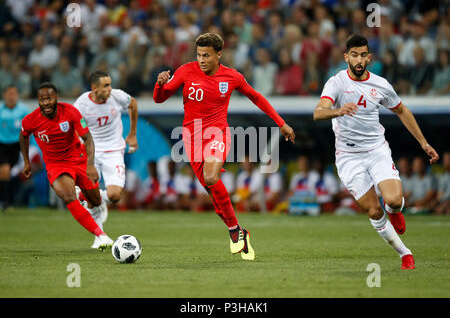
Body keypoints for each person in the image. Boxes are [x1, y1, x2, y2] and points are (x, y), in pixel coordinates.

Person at [153, 32, 296, 260]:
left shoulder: (232, 77)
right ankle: (238, 230)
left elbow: (256, 97)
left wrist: (281, 123)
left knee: (211, 177)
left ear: (219, 55)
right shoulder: (185, 71)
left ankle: (233, 231)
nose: (201, 59)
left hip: (217, 134)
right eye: (199, 55)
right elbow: (159, 99)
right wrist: (159, 85)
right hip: (191, 140)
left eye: (206, 55)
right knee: (213, 193)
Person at [313, 34, 439, 270]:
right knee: (373, 209)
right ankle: (405, 253)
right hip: (348, 157)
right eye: (354, 55)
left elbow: (402, 111)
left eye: (363, 55)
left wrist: (424, 143)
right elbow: (318, 113)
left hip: (376, 150)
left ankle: (395, 210)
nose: (358, 60)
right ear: (346, 57)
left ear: (369, 58)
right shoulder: (336, 83)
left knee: (392, 199)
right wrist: (338, 111)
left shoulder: (380, 84)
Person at [19, 82, 114, 250]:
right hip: (56, 165)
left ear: (56, 98)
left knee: (96, 201)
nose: (46, 103)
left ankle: (86, 197)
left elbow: (88, 139)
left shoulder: (70, 112)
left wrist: (90, 166)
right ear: (38, 101)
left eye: (49, 98)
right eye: (42, 99)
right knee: (68, 195)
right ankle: (101, 235)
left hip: (78, 160)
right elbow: (24, 135)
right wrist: (26, 161)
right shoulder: (30, 120)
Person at [73, 71, 139, 246]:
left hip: (114, 151)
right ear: (94, 88)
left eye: (110, 84)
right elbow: (74, 127)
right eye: (106, 85)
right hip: (91, 153)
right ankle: (99, 236)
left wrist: (132, 134)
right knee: (87, 196)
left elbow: (133, 104)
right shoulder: (81, 104)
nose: (110, 89)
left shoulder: (117, 97)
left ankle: (98, 199)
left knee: (115, 195)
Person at [0, 85, 30, 212]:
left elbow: (29, 128)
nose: (11, 96)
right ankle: (6, 203)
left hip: (16, 146)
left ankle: (7, 201)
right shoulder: (0, 109)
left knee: (7, 174)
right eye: (9, 94)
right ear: (4, 95)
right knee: (5, 171)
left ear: (17, 96)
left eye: (14, 94)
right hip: (1, 144)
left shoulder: (23, 111)